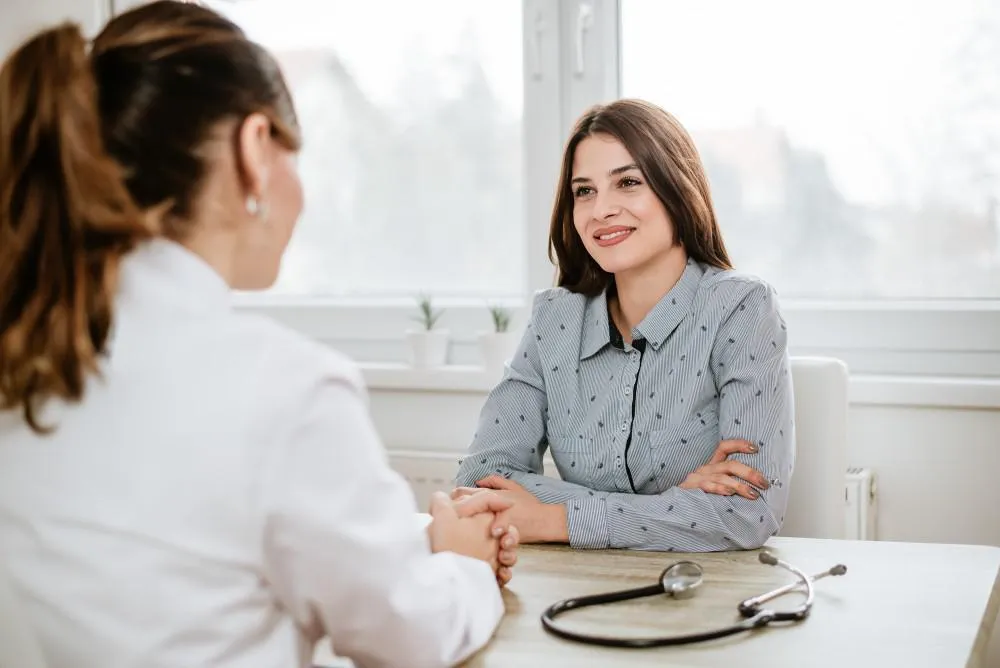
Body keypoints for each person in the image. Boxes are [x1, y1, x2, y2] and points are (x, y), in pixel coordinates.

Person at [0, 3, 518, 667]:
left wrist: (411, 547)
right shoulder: (282, 388)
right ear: (253, 148)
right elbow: (410, 638)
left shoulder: (29, 358)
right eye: (294, 155)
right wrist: (464, 567)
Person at [454, 99, 794, 553]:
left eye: (628, 183)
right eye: (584, 191)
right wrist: (673, 505)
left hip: (704, 596)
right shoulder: (554, 320)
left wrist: (555, 519)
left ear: (676, 189)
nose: (601, 210)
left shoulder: (742, 308)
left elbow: (749, 512)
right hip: (582, 589)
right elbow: (479, 482)